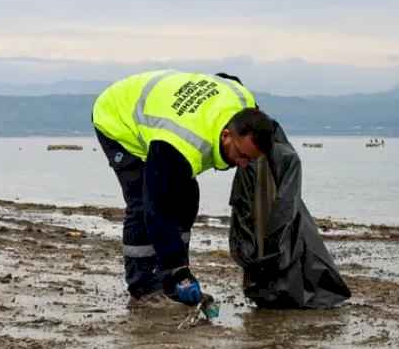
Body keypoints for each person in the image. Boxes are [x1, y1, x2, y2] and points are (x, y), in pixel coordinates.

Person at [92, 70, 275, 306]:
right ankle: (143, 288)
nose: (243, 164)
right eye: (241, 155)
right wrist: (180, 270)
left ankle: (170, 282)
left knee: (187, 196)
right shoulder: (180, 142)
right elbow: (156, 208)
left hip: (166, 109)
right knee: (141, 201)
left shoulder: (244, 102)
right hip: (117, 116)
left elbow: (225, 79)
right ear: (227, 135)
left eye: (250, 159)